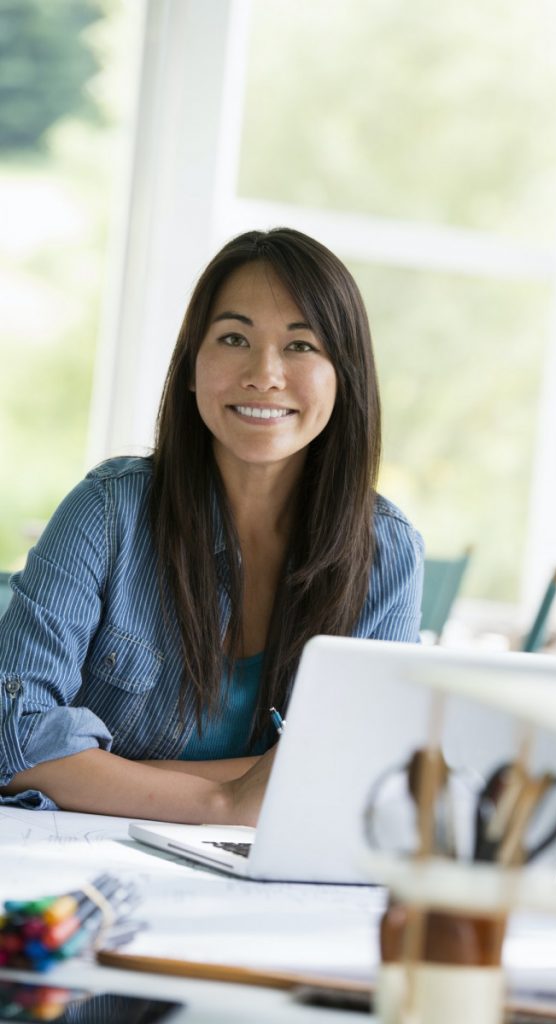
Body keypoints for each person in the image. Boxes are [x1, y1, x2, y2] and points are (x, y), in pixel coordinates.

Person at [0, 227, 424, 825]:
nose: (265, 374)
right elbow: (12, 732)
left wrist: (93, 772)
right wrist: (224, 800)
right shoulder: (106, 511)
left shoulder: (387, 552)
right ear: (193, 369)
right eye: (233, 338)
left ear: (344, 376)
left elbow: (355, 768)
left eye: (301, 346)